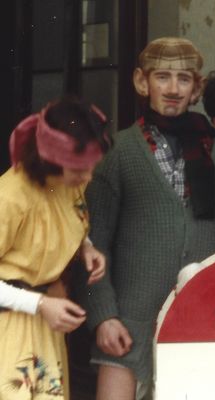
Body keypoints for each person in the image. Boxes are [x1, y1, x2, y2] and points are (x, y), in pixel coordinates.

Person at [72, 37, 215, 400]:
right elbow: (93, 244)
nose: (173, 89)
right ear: (142, 83)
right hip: (129, 323)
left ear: (197, 88)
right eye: (162, 77)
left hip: (204, 319)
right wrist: (103, 316)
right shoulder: (121, 152)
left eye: (184, 79)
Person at [0, 97, 111, 399]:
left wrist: (85, 247)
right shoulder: (10, 198)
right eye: (80, 171)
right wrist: (38, 304)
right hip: (9, 326)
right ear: (50, 160)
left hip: (46, 321)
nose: (87, 178)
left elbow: (66, 218)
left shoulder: (66, 181)